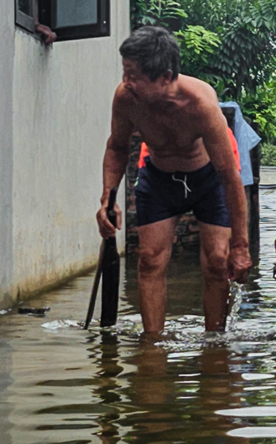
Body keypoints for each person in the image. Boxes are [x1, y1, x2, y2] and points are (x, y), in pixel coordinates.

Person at [97, 25, 252, 338]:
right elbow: (116, 146)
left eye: (134, 75)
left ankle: (215, 343)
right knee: (150, 261)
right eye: (125, 72)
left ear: (165, 77)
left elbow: (229, 177)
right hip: (158, 178)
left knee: (217, 262)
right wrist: (107, 199)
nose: (126, 82)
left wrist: (241, 244)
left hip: (208, 180)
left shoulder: (201, 105)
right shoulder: (126, 99)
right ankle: (152, 346)